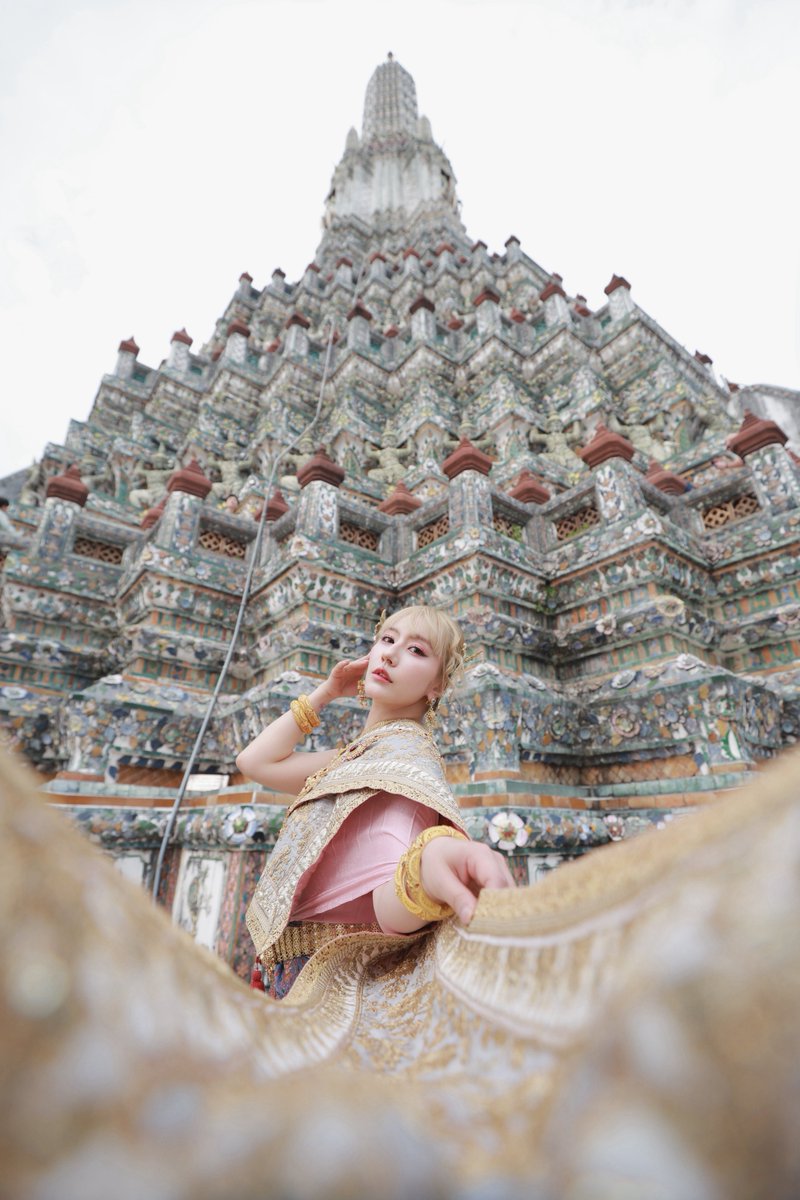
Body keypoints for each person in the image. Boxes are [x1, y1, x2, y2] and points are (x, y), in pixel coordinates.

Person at [237, 605, 514, 998]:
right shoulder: (360, 755)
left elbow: (389, 901)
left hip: (332, 983)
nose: (390, 654)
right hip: (292, 977)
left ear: (437, 686)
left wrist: (429, 865)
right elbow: (254, 761)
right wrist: (327, 691)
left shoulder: (404, 761)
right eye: (387, 639)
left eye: (416, 650)